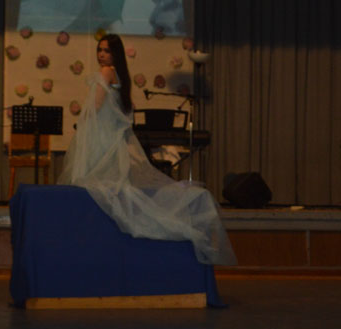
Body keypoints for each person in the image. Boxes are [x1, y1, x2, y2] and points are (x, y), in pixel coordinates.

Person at [58, 34, 236, 266]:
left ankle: (88, 242)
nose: (101, 55)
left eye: (106, 51)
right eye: (99, 50)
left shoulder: (106, 72)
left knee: (94, 184)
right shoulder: (119, 75)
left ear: (115, 54)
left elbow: (96, 105)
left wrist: (83, 126)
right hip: (109, 137)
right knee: (108, 186)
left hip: (101, 137)